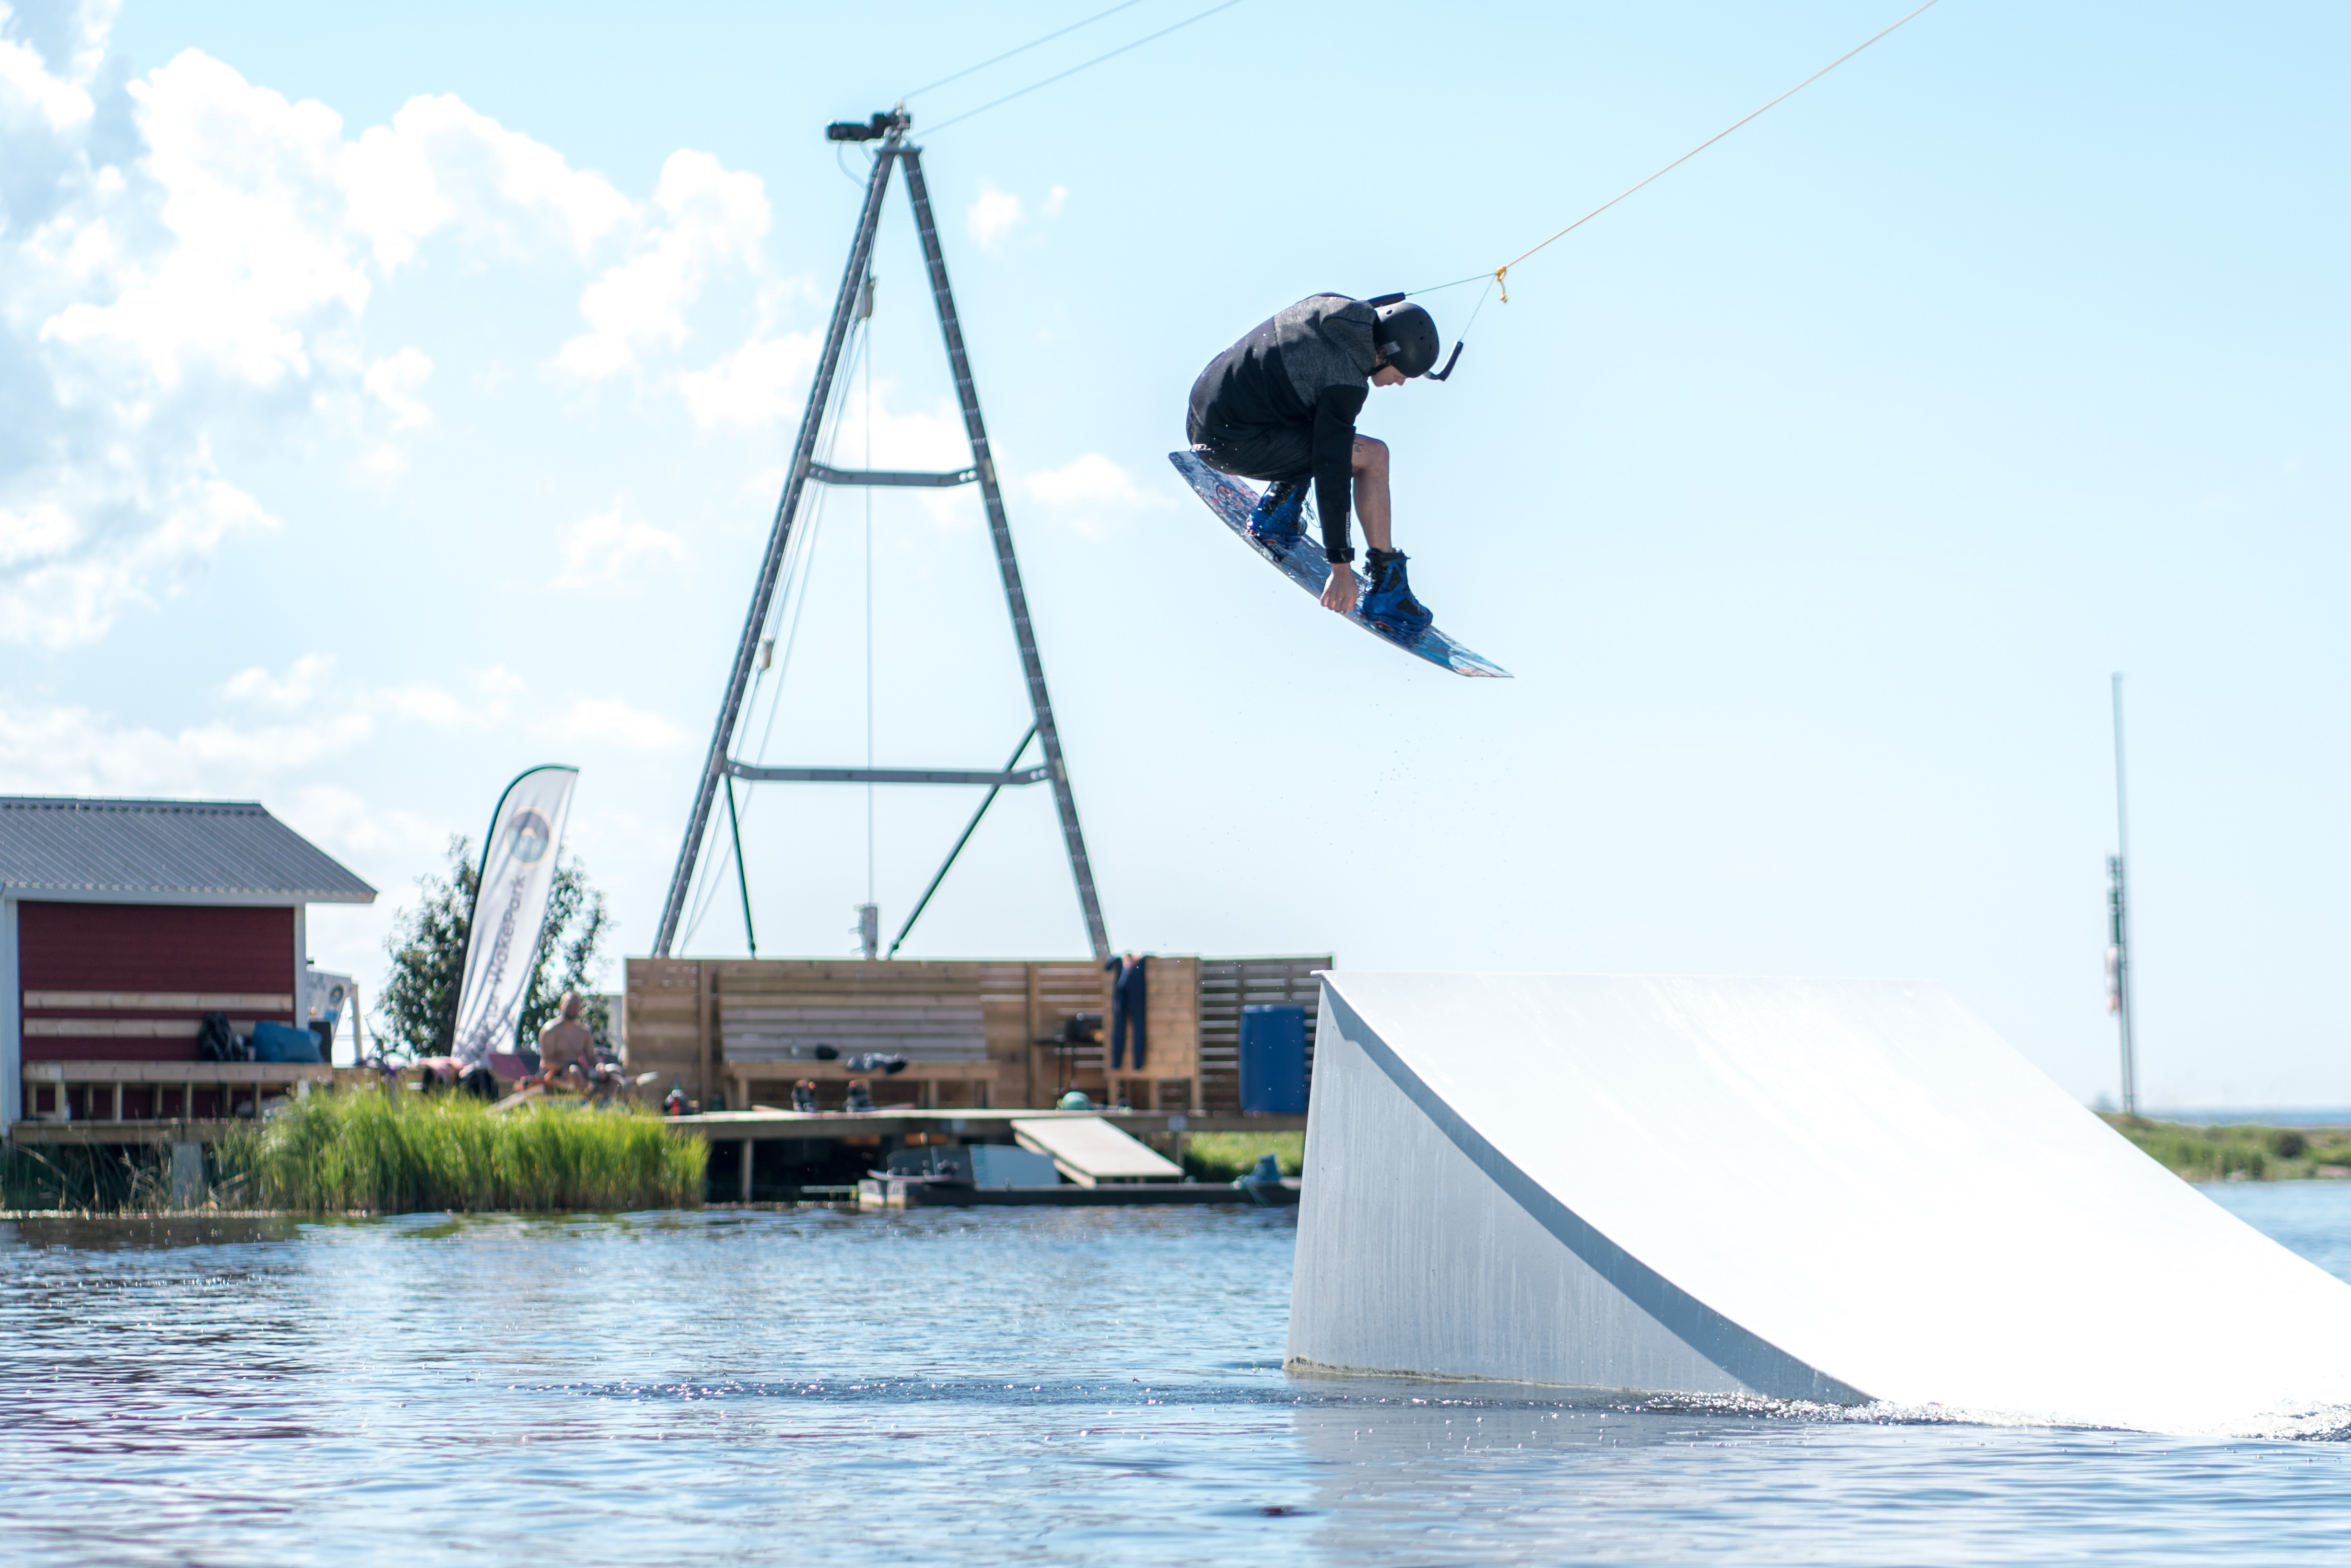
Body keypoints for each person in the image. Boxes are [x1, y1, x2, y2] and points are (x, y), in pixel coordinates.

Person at [1186, 293, 1448, 638]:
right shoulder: (1345, 381)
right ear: (1388, 353)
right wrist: (1340, 566)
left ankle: (1280, 510)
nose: (1401, 381)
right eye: (1403, 374)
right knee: (1372, 456)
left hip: (1202, 419)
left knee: (1313, 409)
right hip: (1232, 445)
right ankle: (1387, 589)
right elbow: (1331, 468)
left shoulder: (1334, 307)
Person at [522, 992, 599, 1095]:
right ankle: (591, 1100)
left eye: (576, 1005)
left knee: (614, 1072)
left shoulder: (584, 1032)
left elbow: (592, 1059)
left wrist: (601, 1068)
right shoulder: (550, 1030)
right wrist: (571, 1065)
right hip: (554, 1073)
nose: (573, 1008)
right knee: (574, 1071)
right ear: (561, 1004)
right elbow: (547, 1063)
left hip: (578, 1070)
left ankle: (611, 1104)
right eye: (570, 1004)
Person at [1102, 952, 1147, 1073]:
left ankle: (1138, 1065)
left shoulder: (1141, 960)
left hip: (1135, 990)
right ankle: (1117, 1064)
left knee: (1137, 1027)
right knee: (1119, 1028)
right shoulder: (1120, 958)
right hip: (1123, 991)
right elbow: (1107, 967)